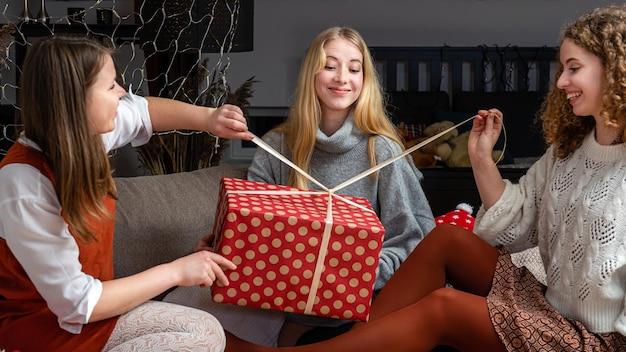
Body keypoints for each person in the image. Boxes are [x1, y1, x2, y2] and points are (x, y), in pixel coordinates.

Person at [223, 4, 626, 351]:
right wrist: (480, 158)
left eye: (573, 69)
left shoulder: (380, 149)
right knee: (448, 237)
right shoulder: (566, 152)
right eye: (562, 69)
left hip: (593, 340)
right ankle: (362, 341)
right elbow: (515, 227)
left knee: (443, 306)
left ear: (615, 71)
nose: (559, 83)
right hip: (549, 305)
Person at [0, 35, 254, 352]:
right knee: (201, 339)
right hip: (42, 330)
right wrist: (177, 270)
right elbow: (77, 304)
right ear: (76, 101)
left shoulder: (85, 137)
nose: (122, 92)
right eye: (110, 87)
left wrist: (208, 118)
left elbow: (143, 112)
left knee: (206, 331)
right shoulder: (24, 185)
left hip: (94, 315)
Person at [204, 25, 435, 347]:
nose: (342, 77)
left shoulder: (381, 150)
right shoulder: (276, 146)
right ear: (311, 74)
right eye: (330, 66)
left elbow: (415, 239)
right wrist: (221, 243)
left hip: (365, 308)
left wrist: (354, 278)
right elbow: (252, 234)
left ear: (365, 81)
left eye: (354, 69)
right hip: (279, 305)